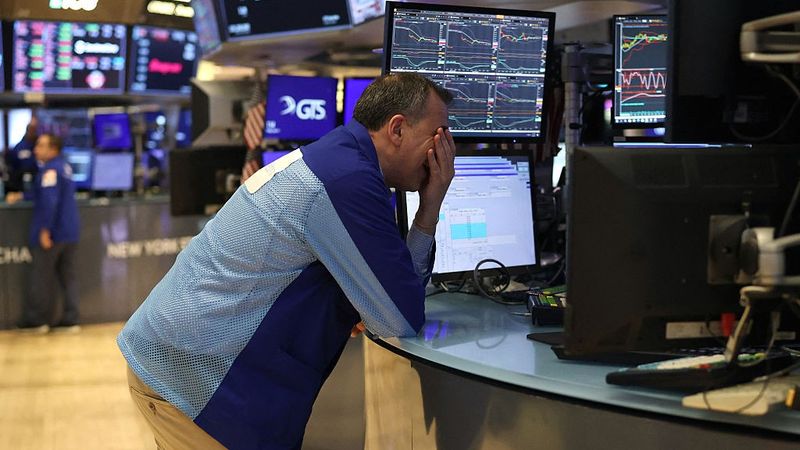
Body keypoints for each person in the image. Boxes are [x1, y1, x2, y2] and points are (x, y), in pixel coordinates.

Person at [117, 72, 455, 450]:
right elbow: (400, 317)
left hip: (183, 359)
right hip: (198, 381)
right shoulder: (348, 180)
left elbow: (375, 292)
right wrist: (430, 207)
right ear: (397, 129)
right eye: (439, 135)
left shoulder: (338, 159)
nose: (446, 152)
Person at [6, 134, 81, 334]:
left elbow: (49, 201)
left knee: (40, 277)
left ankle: (36, 320)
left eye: (41, 145)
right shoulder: (62, 167)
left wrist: (45, 230)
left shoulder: (50, 171)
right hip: (69, 233)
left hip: (54, 234)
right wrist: (22, 195)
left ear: (53, 149)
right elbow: (43, 193)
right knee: (67, 278)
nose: (35, 149)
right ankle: (71, 319)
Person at [4, 116, 40, 195]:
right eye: (31, 129)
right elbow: (11, 166)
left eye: (35, 129)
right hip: (21, 184)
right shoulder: (19, 147)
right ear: (27, 130)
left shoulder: (39, 145)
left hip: (37, 182)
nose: (33, 132)